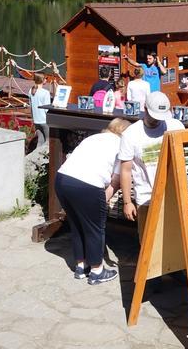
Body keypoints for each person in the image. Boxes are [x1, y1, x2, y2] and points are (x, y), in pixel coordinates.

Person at [55, 118, 131, 285]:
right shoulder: (122, 146)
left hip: (62, 179)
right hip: (88, 184)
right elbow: (116, 181)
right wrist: (102, 201)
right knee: (95, 228)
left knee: (76, 226)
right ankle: (97, 270)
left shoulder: (93, 138)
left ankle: (81, 267)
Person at [118, 91, 184, 230]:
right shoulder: (131, 134)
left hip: (173, 195)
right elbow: (125, 170)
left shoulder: (176, 126)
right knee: (147, 241)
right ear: (145, 109)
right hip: (146, 197)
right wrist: (127, 202)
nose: (157, 120)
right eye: (154, 116)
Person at [29, 73, 51, 150]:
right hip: (44, 120)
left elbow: (30, 106)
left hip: (36, 120)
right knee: (48, 141)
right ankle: (46, 159)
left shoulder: (31, 91)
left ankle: (36, 156)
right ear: (42, 80)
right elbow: (46, 109)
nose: (46, 80)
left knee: (40, 141)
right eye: (46, 78)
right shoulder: (45, 92)